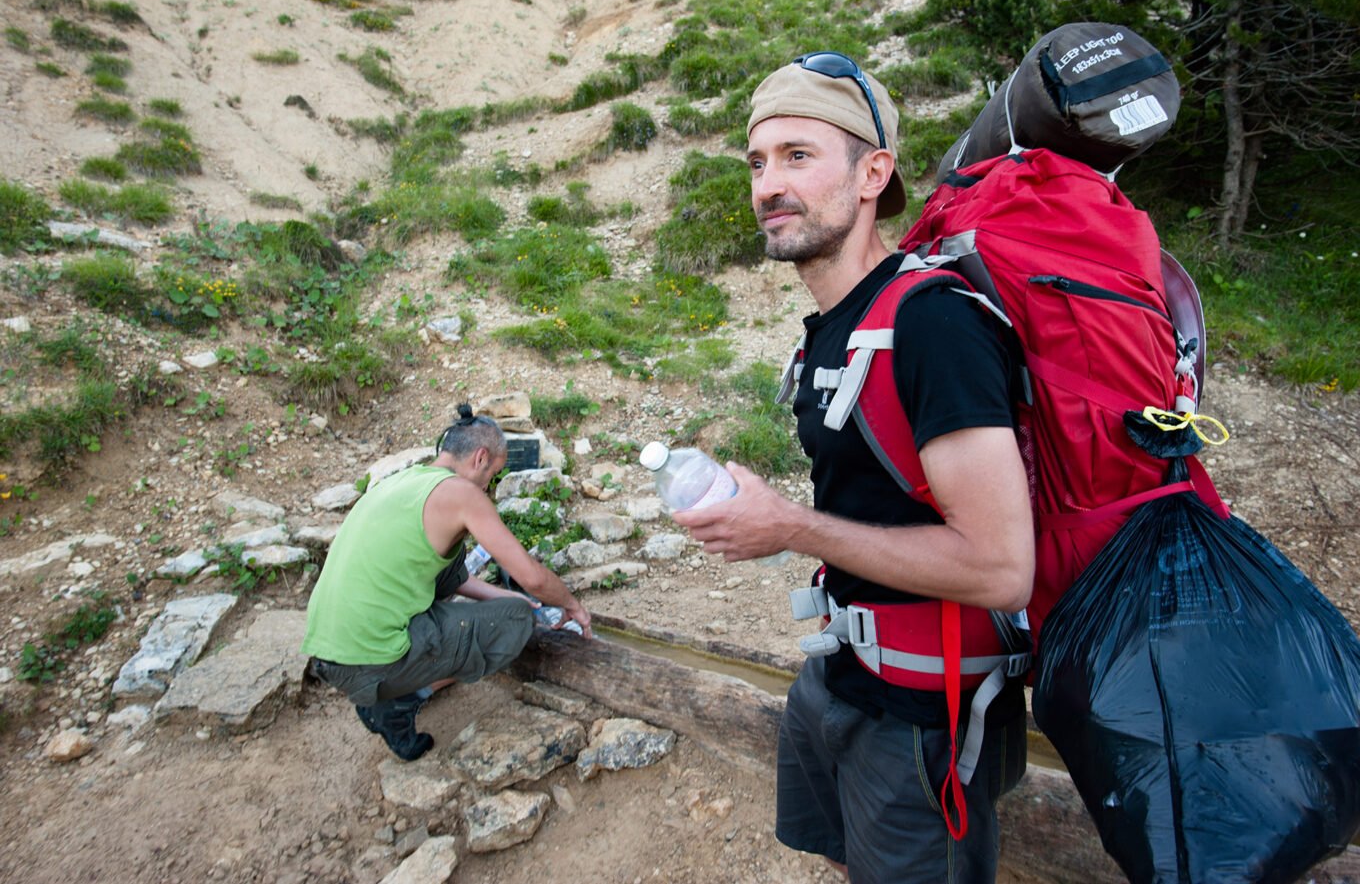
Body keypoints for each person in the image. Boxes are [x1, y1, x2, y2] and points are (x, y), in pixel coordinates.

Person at [671, 53, 1035, 882]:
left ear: (874, 172)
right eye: (758, 163)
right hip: (838, 675)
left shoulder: (932, 323)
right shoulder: (832, 325)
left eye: (799, 156)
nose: (768, 184)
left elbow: (1003, 567)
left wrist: (790, 526)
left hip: (923, 719)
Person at [303, 404, 592, 762]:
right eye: (493, 475)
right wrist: (571, 605)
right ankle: (399, 702)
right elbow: (531, 577)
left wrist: (500, 595)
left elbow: (452, 580)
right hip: (368, 663)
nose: (490, 485)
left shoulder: (401, 482)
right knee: (516, 618)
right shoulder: (462, 494)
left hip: (329, 654)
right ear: (480, 457)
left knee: (499, 605)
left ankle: (390, 690)